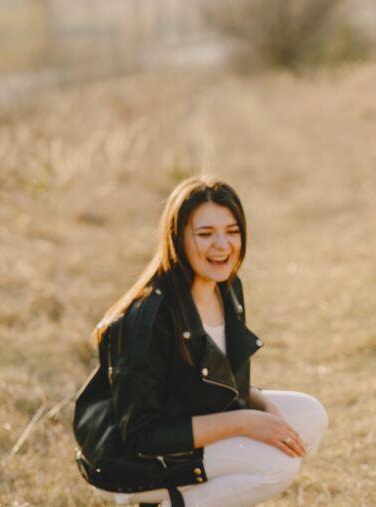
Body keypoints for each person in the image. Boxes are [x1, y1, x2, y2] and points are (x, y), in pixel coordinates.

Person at [73, 176, 328, 507]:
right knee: (276, 466)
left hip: (190, 426)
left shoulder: (228, 289)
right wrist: (246, 422)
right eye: (205, 234)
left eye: (232, 231)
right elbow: (141, 437)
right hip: (131, 462)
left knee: (311, 416)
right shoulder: (148, 319)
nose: (222, 244)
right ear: (177, 239)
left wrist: (264, 407)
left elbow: (211, 384)